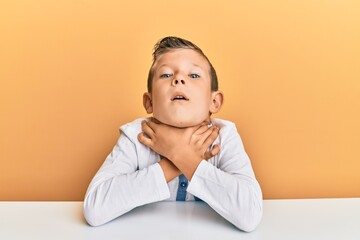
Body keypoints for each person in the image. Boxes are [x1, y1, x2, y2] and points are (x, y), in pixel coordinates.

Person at [83, 36, 263, 232]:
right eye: (166, 75)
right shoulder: (136, 136)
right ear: (149, 102)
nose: (179, 79)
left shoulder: (224, 136)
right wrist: (175, 161)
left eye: (193, 75)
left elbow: (250, 214)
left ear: (214, 102)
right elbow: (95, 208)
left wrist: (185, 158)